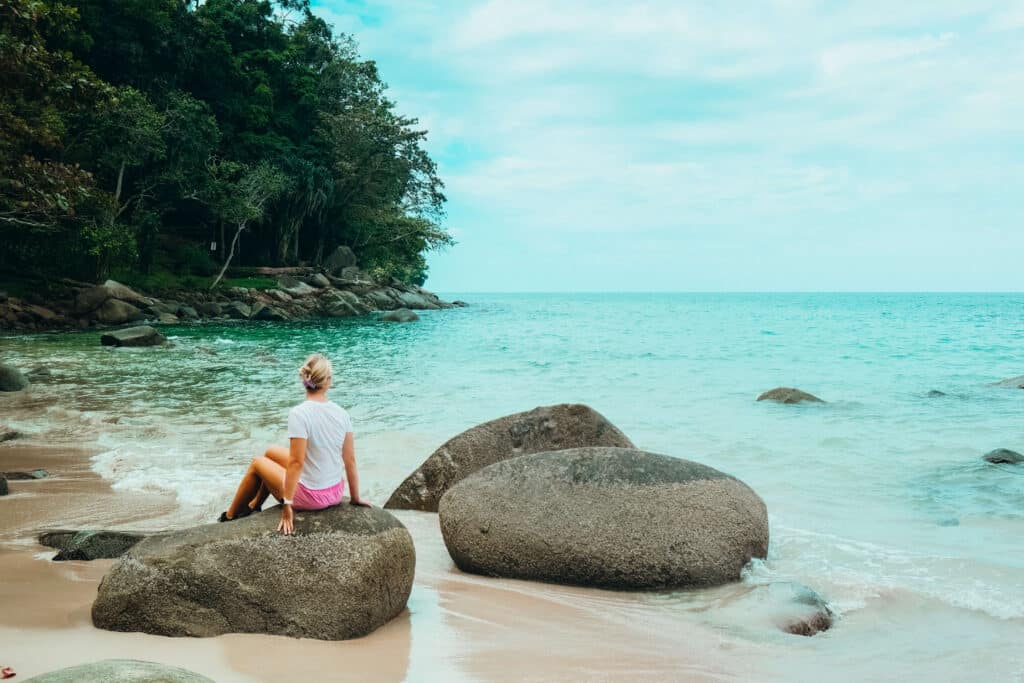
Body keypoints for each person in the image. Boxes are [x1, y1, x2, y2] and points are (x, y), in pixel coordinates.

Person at [219, 353, 370, 534]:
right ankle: (254, 506)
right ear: (328, 381)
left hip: (310, 497)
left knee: (257, 463)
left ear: (304, 380)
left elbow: (296, 463)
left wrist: (287, 505)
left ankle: (229, 517)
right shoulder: (342, 413)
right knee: (271, 452)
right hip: (334, 492)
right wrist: (355, 497)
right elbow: (350, 459)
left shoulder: (299, 413)